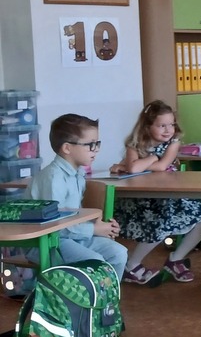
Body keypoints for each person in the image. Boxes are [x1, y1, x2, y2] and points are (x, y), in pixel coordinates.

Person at [110, 101, 201, 284]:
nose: (168, 130)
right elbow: (134, 169)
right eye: (161, 125)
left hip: (169, 196)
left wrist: (143, 162)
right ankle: (131, 265)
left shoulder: (173, 143)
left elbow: (162, 166)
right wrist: (152, 158)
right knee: (161, 226)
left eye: (171, 124)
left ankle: (175, 259)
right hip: (142, 200)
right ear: (147, 126)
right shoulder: (134, 144)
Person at [27, 114, 127, 279]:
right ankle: (88, 296)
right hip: (47, 241)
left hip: (71, 236)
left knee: (118, 253)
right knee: (95, 261)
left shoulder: (78, 173)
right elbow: (54, 225)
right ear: (67, 148)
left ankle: (106, 295)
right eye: (90, 144)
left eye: (97, 143)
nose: (96, 149)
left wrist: (101, 225)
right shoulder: (54, 178)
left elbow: (74, 215)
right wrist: (93, 229)